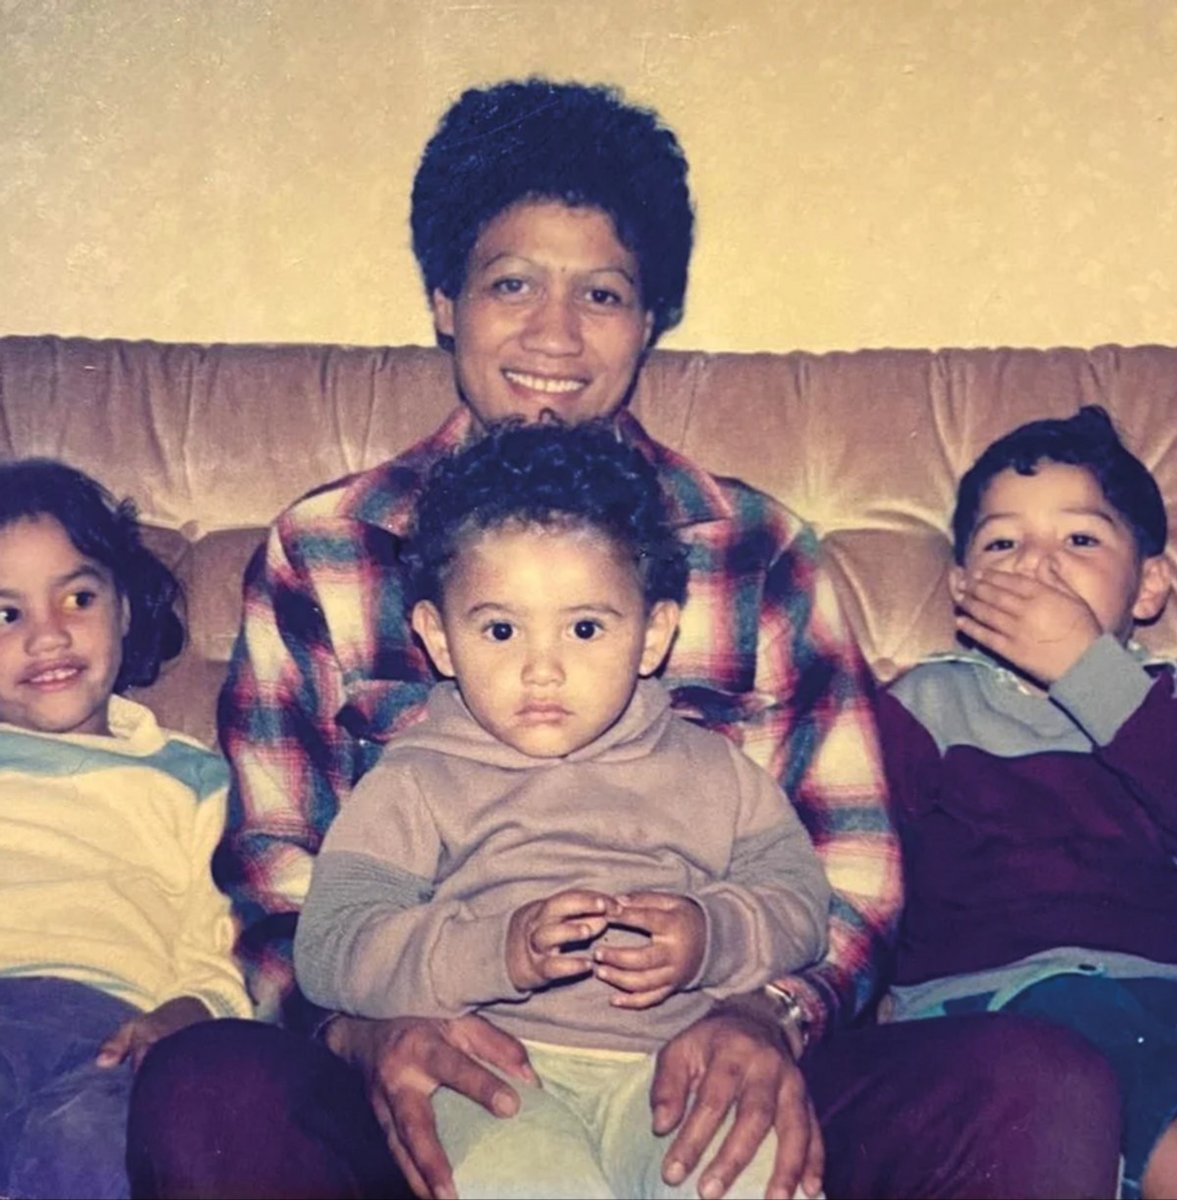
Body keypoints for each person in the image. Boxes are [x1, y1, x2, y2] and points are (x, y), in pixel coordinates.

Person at [128, 78, 1123, 1200]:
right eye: (511, 284)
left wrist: (767, 1013)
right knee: (208, 1083)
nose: (554, 334)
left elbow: (844, 877)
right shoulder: (326, 547)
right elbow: (279, 878)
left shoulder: (756, 551)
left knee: (1040, 1082)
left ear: (649, 320)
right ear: (445, 299)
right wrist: (365, 1035)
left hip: (701, 1071)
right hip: (433, 1077)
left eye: (601, 294)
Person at [293, 418, 831, 1199]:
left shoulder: (713, 769)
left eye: (584, 627)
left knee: (746, 1178)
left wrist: (713, 934)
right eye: (501, 629)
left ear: (652, 638)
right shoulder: (415, 778)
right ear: (439, 642)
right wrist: (493, 951)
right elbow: (332, 944)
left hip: (679, 1066)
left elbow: (798, 900)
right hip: (494, 1074)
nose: (541, 668)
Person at [876, 405, 1177, 1200]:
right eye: (1002, 543)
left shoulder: (1162, 710)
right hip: (990, 1008)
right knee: (1077, 1008)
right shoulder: (924, 704)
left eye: (1079, 540)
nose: (1036, 565)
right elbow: (841, 852)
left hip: (1162, 995)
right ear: (961, 587)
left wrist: (1092, 676)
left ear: (1149, 585)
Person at [0, 459, 253, 1200]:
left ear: (127, 610)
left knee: (89, 1145)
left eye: (77, 596)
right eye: (3, 613)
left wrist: (191, 1008)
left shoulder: (191, 777)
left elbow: (217, 930)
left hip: (113, 1032)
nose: (48, 636)